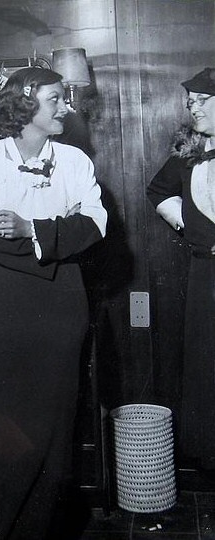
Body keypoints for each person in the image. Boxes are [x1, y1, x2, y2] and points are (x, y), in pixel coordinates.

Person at [0, 67, 107, 540]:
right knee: (5, 424)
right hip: (9, 308)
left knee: (55, 427)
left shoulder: (74, 160)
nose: (66, 106)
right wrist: (59, 231)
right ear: (25, 103)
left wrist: (32, 228)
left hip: (66, 306)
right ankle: (2, 528)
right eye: (55, 99)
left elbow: (96, 227)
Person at [147, 68, 215, 475]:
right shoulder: (189, 152)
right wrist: (191, 226)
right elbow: (157, 191)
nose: (194, 109)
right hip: (205, 274)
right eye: (191, 103)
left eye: (203, 101)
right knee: (208, 368)